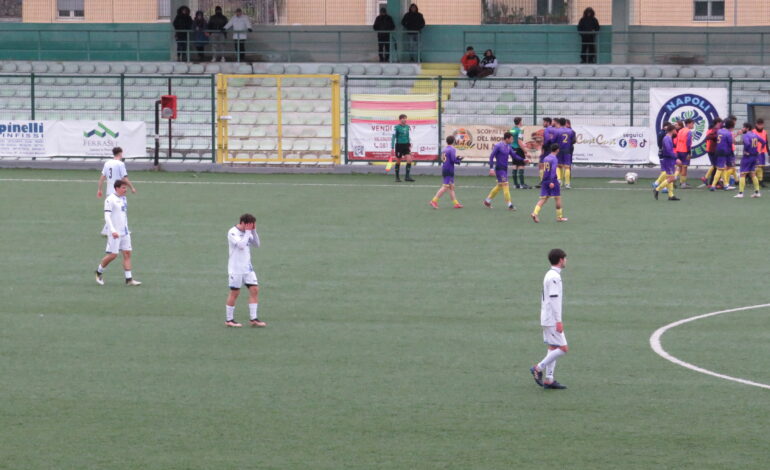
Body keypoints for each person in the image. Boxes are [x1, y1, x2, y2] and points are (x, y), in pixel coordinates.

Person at [529, 248, 568, 390]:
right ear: (561, 260)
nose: (566, 261)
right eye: (565, 258)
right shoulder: (554, 277)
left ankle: (549, 379)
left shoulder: (551, 274)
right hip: (551, 319)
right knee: (563, 348)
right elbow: (553, 299)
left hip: (547, 318)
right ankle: (538, 368)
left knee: (553, 347)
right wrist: (558, 320)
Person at [95, 180, 141, 286]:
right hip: (114, 232)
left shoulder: (124, 198)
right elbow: (107, 216)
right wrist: (112, 230)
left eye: (126, 188)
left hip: (125, 232)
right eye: (123, 188)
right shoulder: (110, 200)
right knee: (113, 255)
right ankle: (98, 272)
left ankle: (129, 279)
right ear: (117, 188)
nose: (126, 190)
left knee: (127, 253)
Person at [225, 213, 266, 328]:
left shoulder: (248, 231)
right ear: (242, 223)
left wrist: (253, 231)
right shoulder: (232, 232)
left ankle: (254, 318)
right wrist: (248, 232)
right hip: (236, 269)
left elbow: (257, 244)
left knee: (254, 289)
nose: (250, 227)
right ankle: (229, 320)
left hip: (247, 268)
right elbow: (241, 245)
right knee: (235, 293)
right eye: (249, 225)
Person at [484, 132, 529, 210]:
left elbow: (514, 156)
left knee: (500, 185)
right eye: (511, 139)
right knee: (505, 184)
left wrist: (523, 159)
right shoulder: (498, 146)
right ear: (507, 138)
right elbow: (491, 156)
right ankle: (510, 205)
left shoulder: (509, 146)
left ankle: (487, 201)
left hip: (505, 169)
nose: (512, 140)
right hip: (499, 169)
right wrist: (491, 168)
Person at [97, 147, 136, 236]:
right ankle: (124, 230)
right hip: (118, 191)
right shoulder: (120, 164)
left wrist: (99, 189)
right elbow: (124, 178)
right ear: (120, 153)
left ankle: (106, 230)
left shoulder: (107, 163)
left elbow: (102, 177)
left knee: (111, 211)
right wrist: (132, 187)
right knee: (122, 210)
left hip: (109, 192)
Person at [531, 144, 568, 222]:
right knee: (557, 198)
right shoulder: (554, 159)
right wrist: (552, 181)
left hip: (545, 180)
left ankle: (535, 213)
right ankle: (559, 217)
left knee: (543, 199)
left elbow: (545, 169)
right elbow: (553, 170)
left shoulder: (546, 158)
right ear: (557, 150)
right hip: (552, 180)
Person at [430, 136, 463, 209]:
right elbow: (453, 160)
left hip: (445, 168)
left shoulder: (444, 149)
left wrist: (456, 159)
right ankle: (434, 201)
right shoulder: (452, 149)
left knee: (451, 187)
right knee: (445, 187)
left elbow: (448, 159)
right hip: (449, 169)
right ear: (454, 142)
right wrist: (459, 160)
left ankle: (456, 204)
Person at [734, 122, 765, 199]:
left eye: (743, 127)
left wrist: (745, 151)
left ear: (747, 128)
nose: (742, 129)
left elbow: (747, 144)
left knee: (742, 174)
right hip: (754, 157)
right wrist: (760, 150)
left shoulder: (745, 135)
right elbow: (763, 142)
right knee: (752, 174)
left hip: (747, 157)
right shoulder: (755, 134)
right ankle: (757, 192)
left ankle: (740, 193)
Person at [653, 124, 681, 201]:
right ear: (672, 130)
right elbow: (669, 151)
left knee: (670, 178)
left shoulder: (668, 138)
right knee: (672, 178)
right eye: (675, 129)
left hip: (669, 159)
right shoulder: (667, 139)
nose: (676, 131)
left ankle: (671, 195)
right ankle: (657, 189)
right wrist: (676, 158)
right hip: (669, 160)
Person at [711, 119, 735, 191]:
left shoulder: (720, 131)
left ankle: (726, 185)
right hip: (724, 152)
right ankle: (713, 185)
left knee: (723, 168)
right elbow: (730, 143)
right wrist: (731, 153)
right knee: (720, 169)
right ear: (731, 127)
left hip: (718, 150)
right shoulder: (728, 133)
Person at [391, 114, 415, 182]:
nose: (405, 120)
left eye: (405, 118)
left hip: (406, 146)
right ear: (400, 119)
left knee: (409, 160)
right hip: (399, 146)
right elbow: (393, 138)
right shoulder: (396, 127)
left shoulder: (407, 127)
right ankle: (397, 177)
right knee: (398, 161)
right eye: (403, 118)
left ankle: (407, 177)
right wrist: (392, 147)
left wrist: (409, 145)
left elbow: (407, 136)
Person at [509, 117, 530, 189]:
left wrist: (522, 144)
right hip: (519, 149)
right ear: (520, 122)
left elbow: (513, 140)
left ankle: (515, 184)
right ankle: (522, 184)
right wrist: (525, 151)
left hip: (513, 149)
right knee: (521, 165)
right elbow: (519, 141)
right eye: (521, 121)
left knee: (515, 165)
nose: (522, 122)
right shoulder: (520, 130)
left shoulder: (511, 130)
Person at [701, 118, 722, 188]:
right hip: (712, 150)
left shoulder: (714, 130)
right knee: (716, 167)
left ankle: (712, 182)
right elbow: (708, 137)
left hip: (713, 150)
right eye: (720, 123)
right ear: (717, 123)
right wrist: (715, 137)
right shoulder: (714, 130)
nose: (721, 124)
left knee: (715, 166)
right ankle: (713, 183)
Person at [556, 117, 576, 189]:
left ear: (559, 123)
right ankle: (567, 184)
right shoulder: (571, 131)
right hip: (567, 150)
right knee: (567, 167)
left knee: (558, 166)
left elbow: (554, 140)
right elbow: (574, 141)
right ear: (565, 123)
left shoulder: (557, 131)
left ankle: (559, 180)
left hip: (559, 150)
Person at [675, 118, 694, 188]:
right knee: (684, 167)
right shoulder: (688, 131)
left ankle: (679, 181)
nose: (693, 125)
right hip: (685, 151)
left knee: (680, 167)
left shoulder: (680, 130)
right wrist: (689, 152)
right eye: (692, 123)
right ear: (688, 124)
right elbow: (688, 142)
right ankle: (683, 183)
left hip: (678, 150)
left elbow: (677, 140)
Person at [537, 117, 553, 188]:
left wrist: (543, 146)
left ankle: (543, 181)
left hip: (547, 150)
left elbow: (547, 140)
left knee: (541, 165)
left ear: (547, 122)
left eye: (544, 122)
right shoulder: (554, 129)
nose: (543, 123)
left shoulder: (547, 129)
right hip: (552, 149)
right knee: (549, 166)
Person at [754, 118, 766, 187]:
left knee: (760, 166)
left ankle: (761, 181)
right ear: (756, 125)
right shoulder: (753, 131)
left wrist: (768, 152)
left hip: (762, 152)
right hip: (755, 152)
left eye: (761, 125)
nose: (760, 126)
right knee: (756, 167)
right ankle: (752, 178)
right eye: (759, 125)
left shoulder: (764, 132)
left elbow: (766, 142)